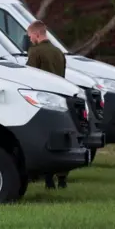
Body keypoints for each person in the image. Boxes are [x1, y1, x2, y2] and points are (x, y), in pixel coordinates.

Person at [25, 20, 69, 189]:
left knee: (45, 140)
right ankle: (63, 179)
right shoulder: (59, 52)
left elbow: (29, 75)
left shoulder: (35, 52)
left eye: (30, 36)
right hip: (60, 100)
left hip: (43, 100)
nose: (30, 40)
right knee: (61, 139)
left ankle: (49, 179)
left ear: (37, 35)